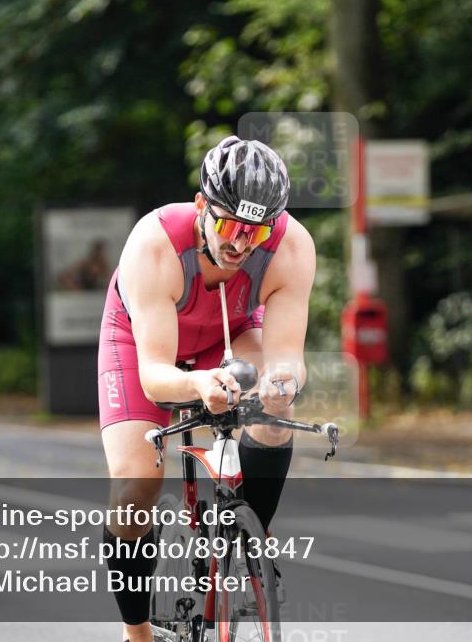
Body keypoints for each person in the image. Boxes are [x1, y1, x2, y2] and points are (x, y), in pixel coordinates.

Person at [98, 136, 316, 642]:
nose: (240, 243)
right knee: (135, 486)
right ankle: (137, 634)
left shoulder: (291, 247)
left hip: (229, 331)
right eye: (228, 225)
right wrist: (198, 383)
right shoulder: (155, 243)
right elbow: (155, 376)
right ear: (201, 205)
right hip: (142, 341)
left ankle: (249, 544)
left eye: (255, 231)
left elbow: (287, 358)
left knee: (274, 409)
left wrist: (282, 383)